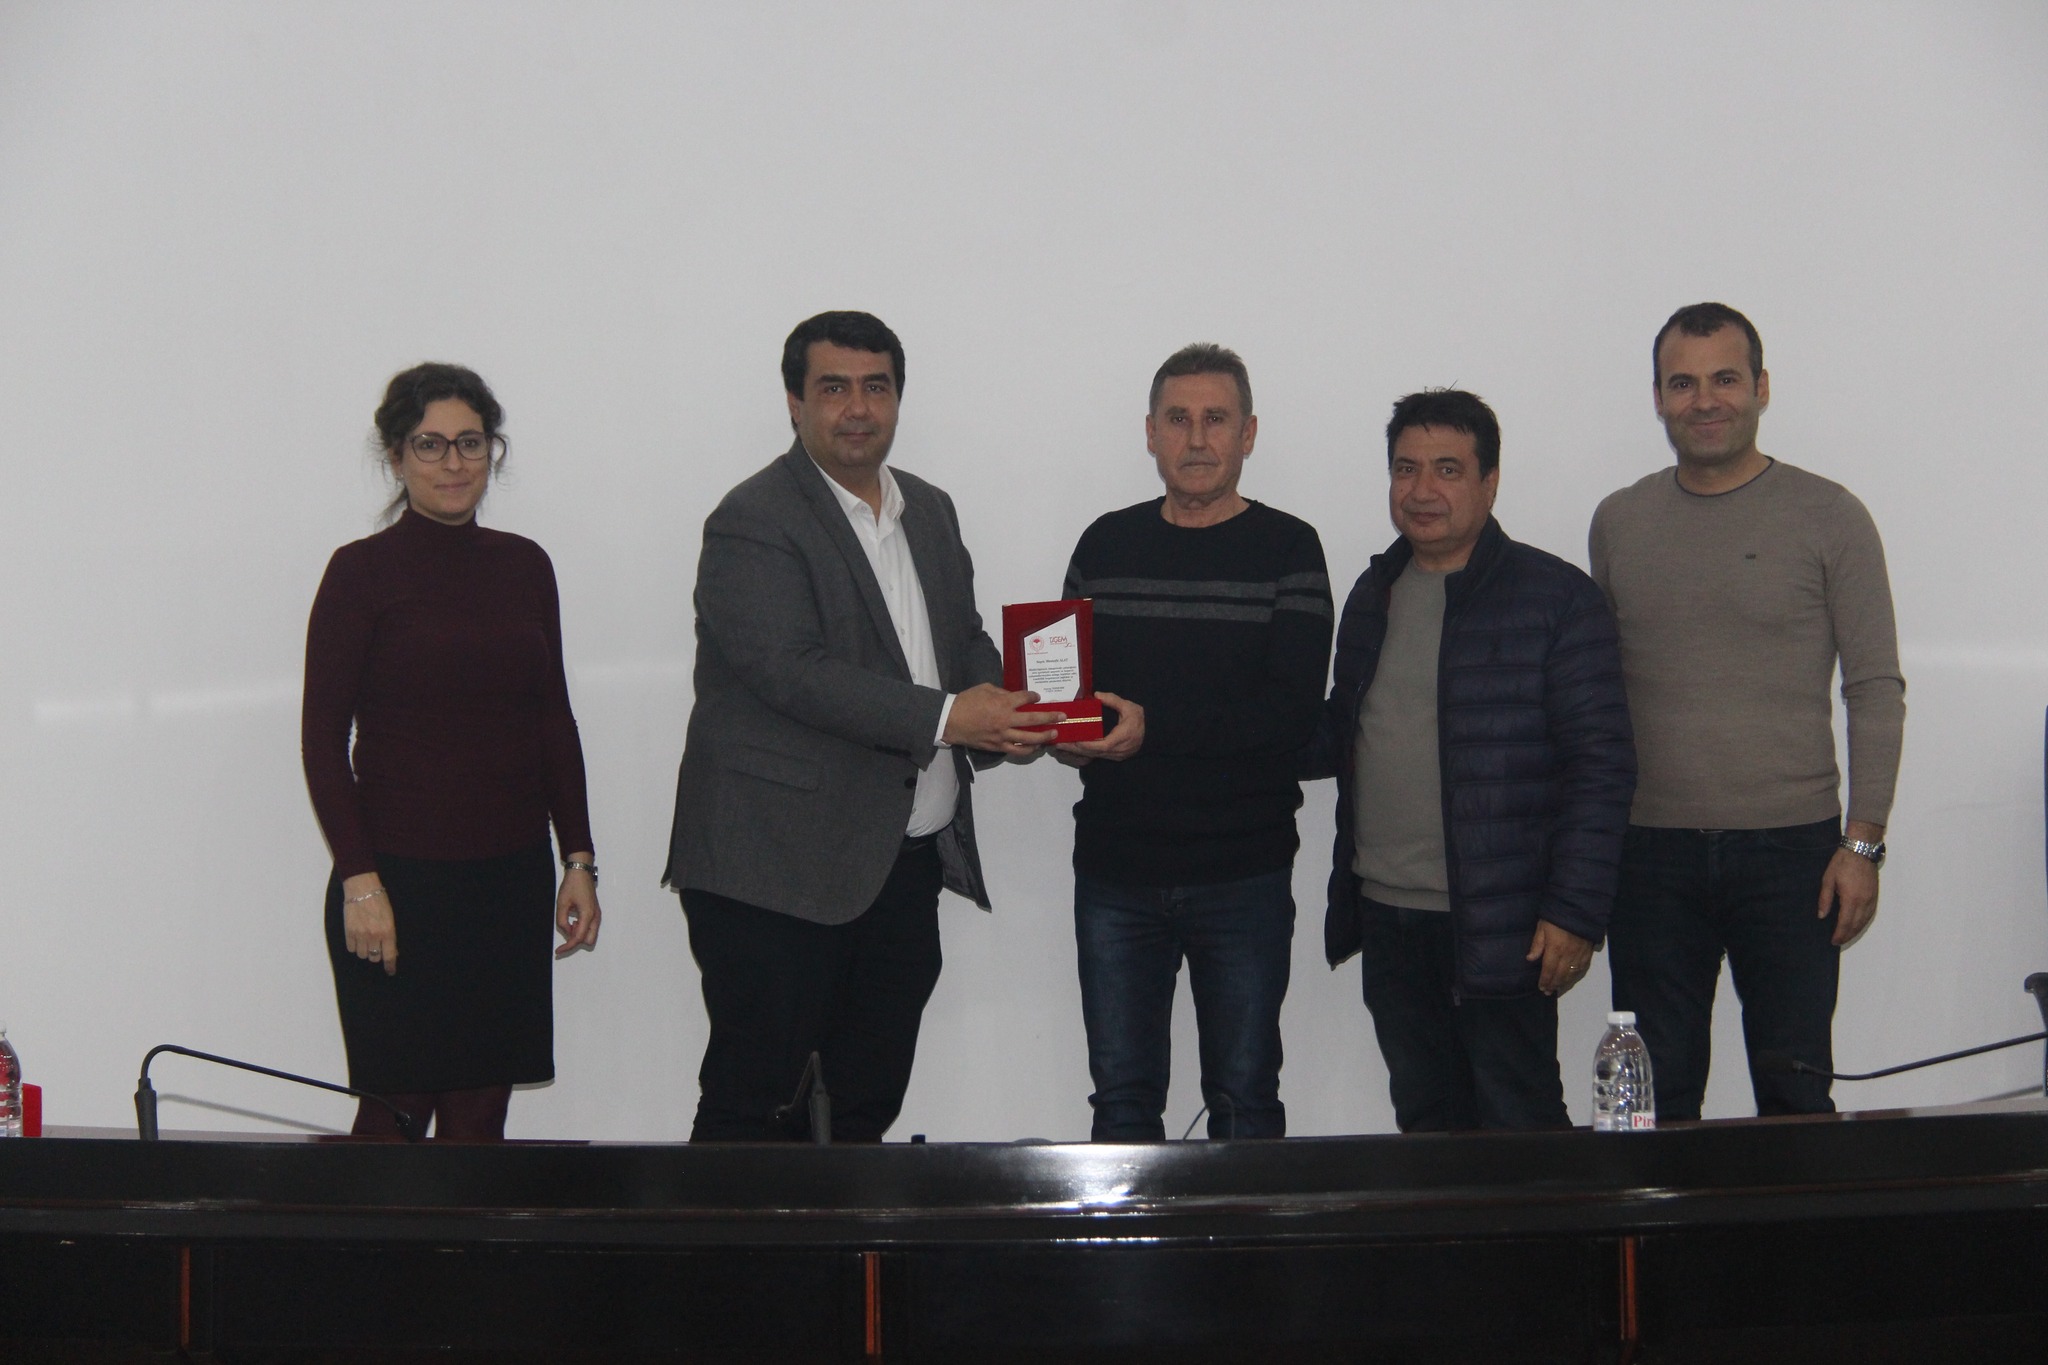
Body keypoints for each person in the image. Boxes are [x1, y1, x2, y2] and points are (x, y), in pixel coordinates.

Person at [664, 311, 1056, 1143]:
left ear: (898, 399)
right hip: (774, 866)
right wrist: (953, 716)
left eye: (876, 387)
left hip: (900, 861)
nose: (857, 408)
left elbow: (961, 640)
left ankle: (843, 1238)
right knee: (757, 1101)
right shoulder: (754, 518)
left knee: (865, 1102)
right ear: (795, 403)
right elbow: (790, 670)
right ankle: (718, 1237)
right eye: (833, 388)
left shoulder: (931, 510)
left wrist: (1021, 708)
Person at [1591, 302, 1905, 1120]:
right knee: (1656, 1102)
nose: (1705, 400)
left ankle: (1796, 1218)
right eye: (1683, 383)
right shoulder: (1619, 521)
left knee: (1795, 1093)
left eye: (1725, 379)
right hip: (1649, 855)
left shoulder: (1830, 516)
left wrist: (1862, 844)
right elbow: (1599, 694)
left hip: (1794, 854)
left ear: (1762, 387)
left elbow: (1874, 686)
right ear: (1657, 397)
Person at [1311, 389, 1634, 1131]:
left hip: (1503, 923)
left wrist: (1573, 912)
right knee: (1427, 1124)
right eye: (1406, 468)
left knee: (1521, 1123)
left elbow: (1603, 766)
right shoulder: (1373, 593)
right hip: (1388, 915)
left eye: (1448, 469)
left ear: (1489, 482)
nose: (1422, 489)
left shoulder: (1557, 599)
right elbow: (1342, 733)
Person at [302, 363, 601, 1141]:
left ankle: (468, 1235)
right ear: (396, 456)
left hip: (508, 880)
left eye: (471, 442)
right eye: (430, 444)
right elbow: (322, 740)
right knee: (396, 1113)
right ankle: (362, 1237)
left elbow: (552, 719)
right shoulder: (360, 573)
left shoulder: (525, 565)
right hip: (396, 884)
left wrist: (577, 858)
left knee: (480, 1116)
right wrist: (360, 880)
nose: (454, 462)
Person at [1057, 343, 1332, 1141]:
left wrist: (1153, 730)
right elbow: (1071, 701)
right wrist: (1063, 734)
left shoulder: (1290, 549)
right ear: (1150, 432)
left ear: (1249, 433)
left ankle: (1247, 1236)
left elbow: (1289, 718)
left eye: (1217, 419)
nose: (1198, 438)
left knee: (1245, 1101)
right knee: (1120, 1102)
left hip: (1242, 873)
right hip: (1115, 869)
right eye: (1178, 419)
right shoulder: (1103, 545)